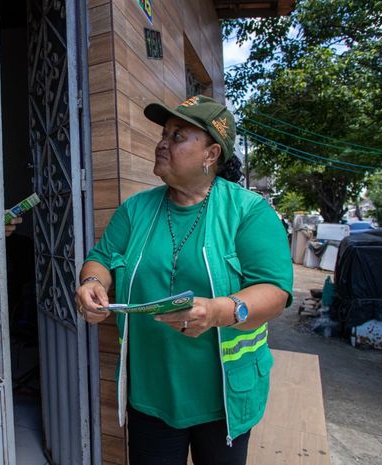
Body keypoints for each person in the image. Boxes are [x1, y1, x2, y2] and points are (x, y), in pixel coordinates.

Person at [74, 96, 293, 465]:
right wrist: (92, 282)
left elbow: (274, 291)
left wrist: (221, 310)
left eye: (178, 136)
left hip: (222, 398)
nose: (162, 142)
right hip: (151, 393)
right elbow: (100, 259)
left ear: (210, 154)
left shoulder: (248, 211)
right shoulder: (136, 209)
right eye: (164, 133)